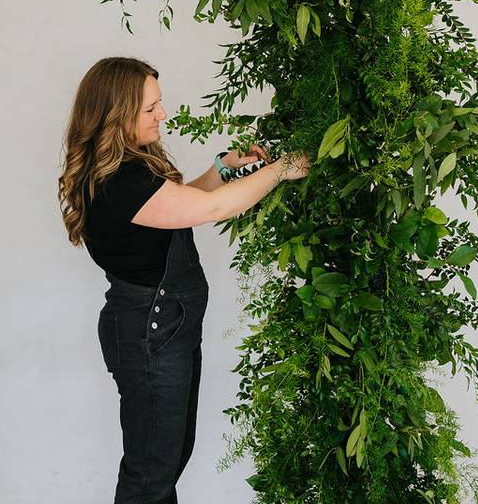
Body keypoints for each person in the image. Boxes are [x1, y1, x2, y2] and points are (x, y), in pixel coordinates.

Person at [57, 57, 309, 503]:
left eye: (160, 104)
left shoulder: (127, 170)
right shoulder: (118, 180)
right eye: (150, 109)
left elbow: (180, 203)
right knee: (151, 474)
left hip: (162, 329)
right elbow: (210, 210)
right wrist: (280, 170)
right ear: (116, 114)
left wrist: (224, 168)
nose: (163, 116)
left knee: (164, 463)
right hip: (149, 333)